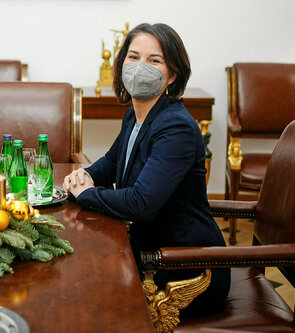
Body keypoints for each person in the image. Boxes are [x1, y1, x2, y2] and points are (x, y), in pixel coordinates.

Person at [63, 23, 229, 317]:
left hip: (185, 268)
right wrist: (87, 175)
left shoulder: (176, 126)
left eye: (154, 61)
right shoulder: (136, 113)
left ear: (172, 75)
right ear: (122, 63)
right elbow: (113, 162)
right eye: (133, 57)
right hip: (148, 250)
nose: (140, 67)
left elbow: (140, 203)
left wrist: (87, 194)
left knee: (85, 295)